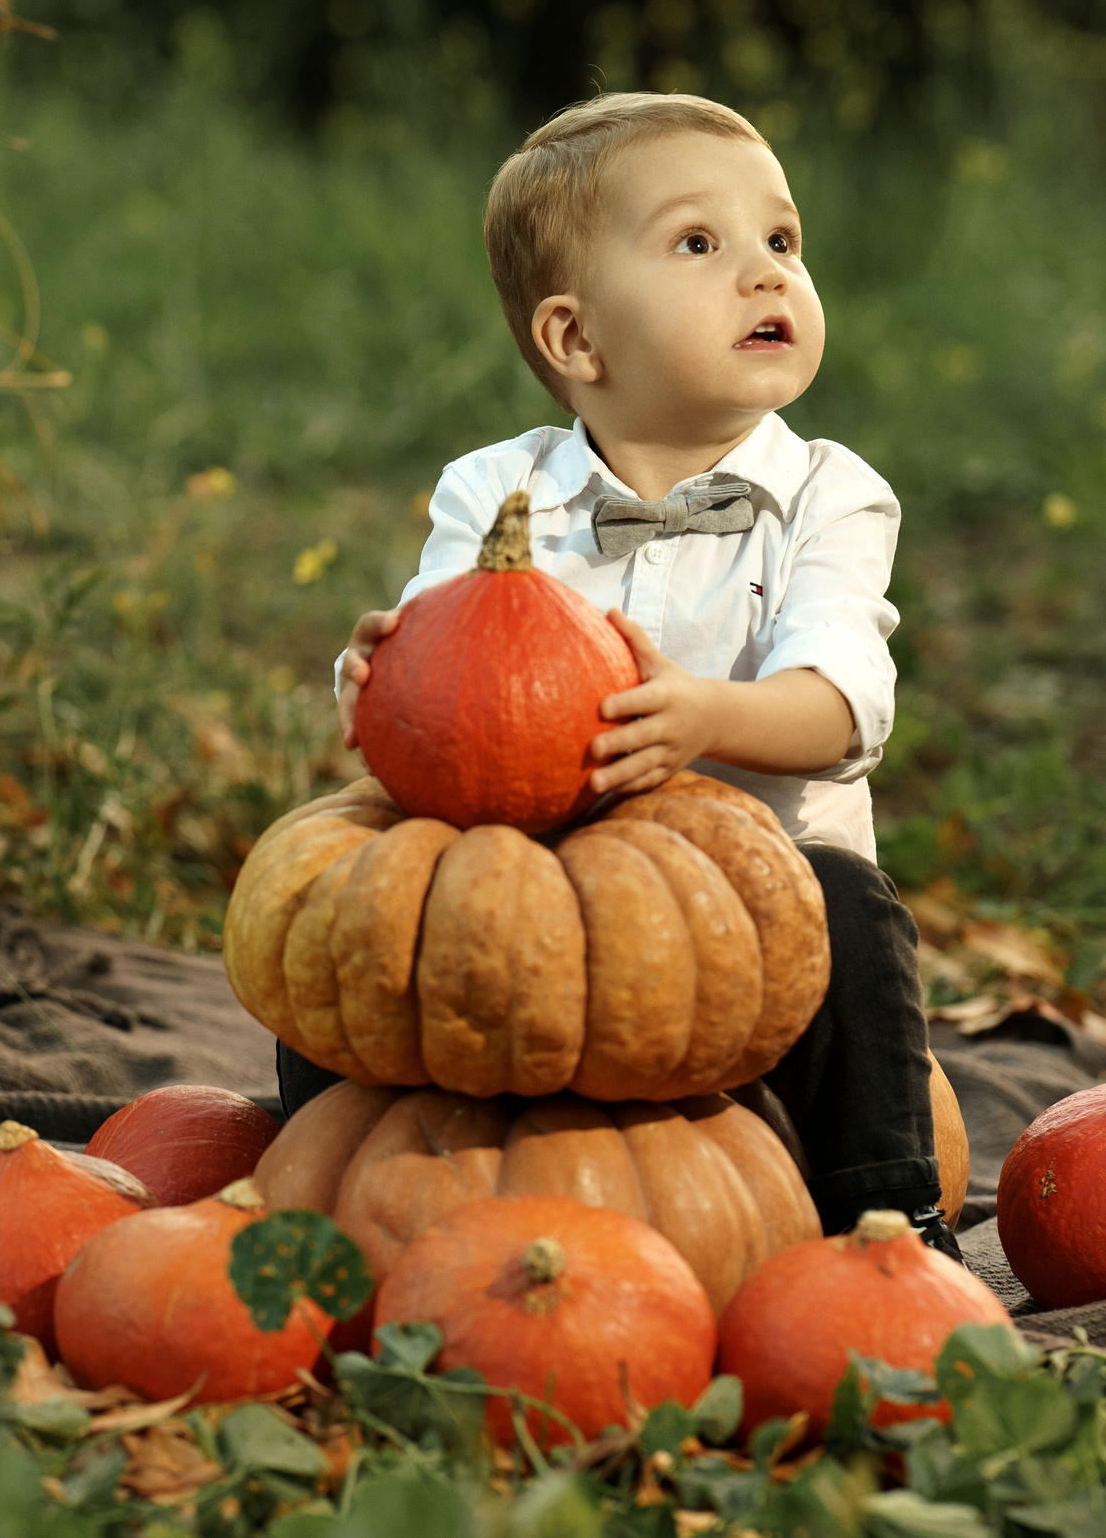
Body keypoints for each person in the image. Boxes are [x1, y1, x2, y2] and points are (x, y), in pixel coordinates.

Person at [306, 91, 956, 1259]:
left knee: (851, 907)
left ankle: (886, 1223)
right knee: (345, 896)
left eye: (782, 238)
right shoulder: (493, 490)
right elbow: (440, 661)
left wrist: (706, 715)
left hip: (748, 924)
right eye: (699, 244)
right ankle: (320, 1183)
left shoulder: (833, 495)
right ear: (575, 339)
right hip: (536, 911)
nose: (765, 272)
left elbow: (842, 703)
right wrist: (377, 671)